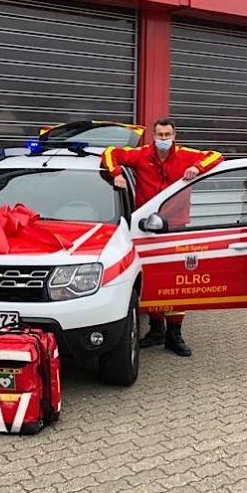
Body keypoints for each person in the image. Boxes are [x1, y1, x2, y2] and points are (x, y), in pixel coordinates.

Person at [101, 118, 223, 355]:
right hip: (147, 228)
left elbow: (216, 156)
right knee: (152, 281)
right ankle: (156, 330)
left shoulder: (187, 155)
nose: (163, 139)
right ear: (153, 136)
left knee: (178, 283)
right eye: (160, 135)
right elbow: (109, 153)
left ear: (174, 135)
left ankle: (174, 335)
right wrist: (116, 173)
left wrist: (197, 168)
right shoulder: (141, 154)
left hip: (176, 228)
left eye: (167, 135)